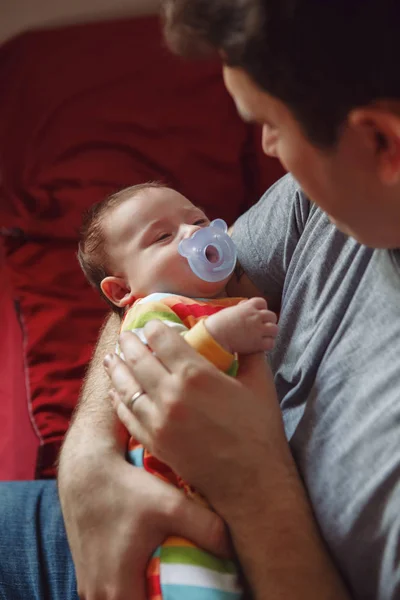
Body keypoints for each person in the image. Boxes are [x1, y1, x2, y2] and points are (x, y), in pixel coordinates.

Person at [1, 0, 399, 598]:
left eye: (272, 123)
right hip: (103, 512)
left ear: (381, 141)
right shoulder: (318, 204)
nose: (267, 149)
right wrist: (88, 469)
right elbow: (163, 292)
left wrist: (251, 482)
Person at [76, 180, 278, 599]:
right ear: (121, 291)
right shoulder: (151, 311)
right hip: (176, 492)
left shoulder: (216, 305)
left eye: (199, 220)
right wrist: (219, 338)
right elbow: (162, 376)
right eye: (163, 236)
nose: (193, 234)